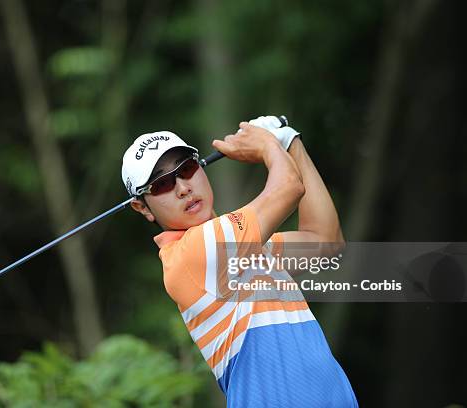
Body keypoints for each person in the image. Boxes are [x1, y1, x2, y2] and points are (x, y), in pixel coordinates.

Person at [121, 117, 358, 407]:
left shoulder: (239, 248)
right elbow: (289, 187)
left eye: (186, 168)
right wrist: (269, 144)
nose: (183, 187)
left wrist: (290, 143)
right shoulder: (192, 253)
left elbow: (325, 240)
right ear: (141, 207)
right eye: (161, 184)